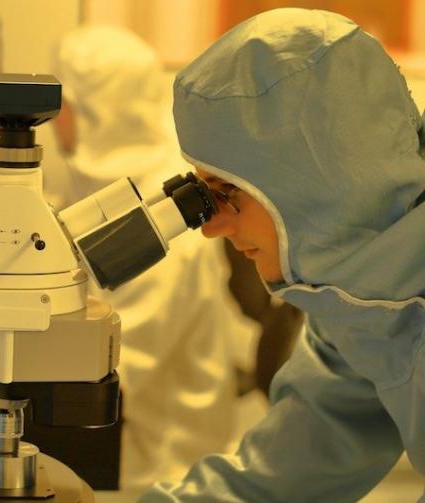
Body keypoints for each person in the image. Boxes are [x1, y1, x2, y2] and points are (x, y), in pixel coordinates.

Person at [141, 8, 425, 502]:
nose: (212, 228)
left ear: (319, 180)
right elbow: (291, 464)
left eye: (227, 191)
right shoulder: (359, 298)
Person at [48, 25, 259, 488]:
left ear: (96, 109)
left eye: (62, 102)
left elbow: (110, 372)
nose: (51, 119)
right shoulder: (109, 184)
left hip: (160, 469)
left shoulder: (162, 221)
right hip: (117, 451)